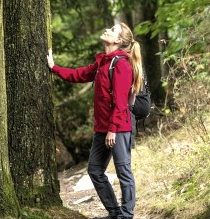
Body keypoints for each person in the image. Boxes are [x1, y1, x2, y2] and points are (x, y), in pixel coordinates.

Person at [47, 22, 143, 219]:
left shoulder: (121, 65)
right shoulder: (103, 63)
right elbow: (79, 74)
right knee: (95, 170)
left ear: (117, 40)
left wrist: (113, 130)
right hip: (103, 129)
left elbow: (120, 102)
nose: (107, 29)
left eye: (113, 30)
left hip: (118, 128)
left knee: (123, 171)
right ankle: (115, 212)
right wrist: (54, 67)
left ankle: (126, 215)